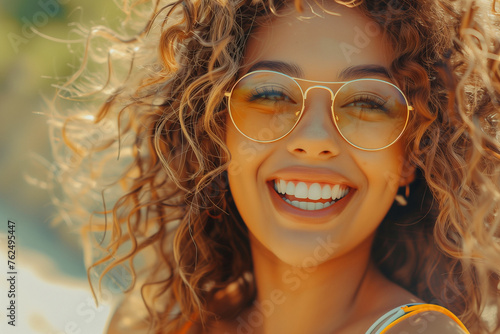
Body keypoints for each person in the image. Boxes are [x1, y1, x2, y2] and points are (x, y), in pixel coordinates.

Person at [50, 0, 500, 333]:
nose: (313, 140)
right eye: (270, 95)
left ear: (412, 155)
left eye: (366, 103)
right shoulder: (156, 322)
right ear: (214, 131)